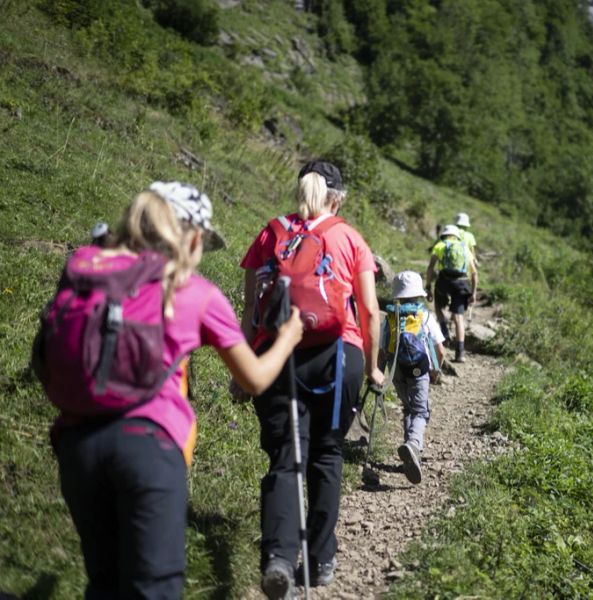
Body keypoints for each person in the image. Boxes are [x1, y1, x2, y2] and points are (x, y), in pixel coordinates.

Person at [52, 182, 304, 599]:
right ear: (189, 236)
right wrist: (288, 338)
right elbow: (254, 379)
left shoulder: (84, 267)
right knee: (152, 589)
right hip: (149, 450)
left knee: (104, 583)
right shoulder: (193, 292)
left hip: (77, 446)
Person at [239, 160, 384, 597]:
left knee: (285, 456)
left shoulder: (270, 233)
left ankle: (278, 558)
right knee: (325, 453)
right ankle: (319, 561)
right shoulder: (349, 238)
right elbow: (372, 313)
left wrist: (241, 370)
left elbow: (250, 311)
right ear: (336, 198)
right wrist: (375, 367)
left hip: (275, 354)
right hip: (339, 355)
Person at [380, 271, 445, 484]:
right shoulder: (425, 316)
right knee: (421, 411)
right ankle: (414, 445)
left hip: (396, 370)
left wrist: (379, 374)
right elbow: (440, 350)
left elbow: (382, 351)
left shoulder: (389, 318)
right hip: (418, 369)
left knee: (408, 407)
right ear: (418, 295)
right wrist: (436, 370)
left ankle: (410, 449)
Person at [426, 224, 477, 363]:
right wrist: (473, 293)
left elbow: (431, 267)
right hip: (462, 283)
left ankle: (444, 331)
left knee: (438, 307)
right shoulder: (465, 248)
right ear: (457, 236)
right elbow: (474, 273)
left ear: (444, 235)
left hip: (444, 281)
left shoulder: (440, 245)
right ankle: (460, 353)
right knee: (458, 318)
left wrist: (428, 286)